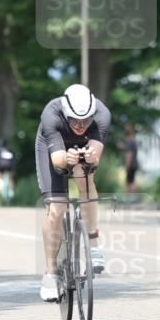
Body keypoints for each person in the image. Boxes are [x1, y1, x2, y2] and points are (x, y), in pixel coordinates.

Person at [36, 84, 111, 302]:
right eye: (75, 120)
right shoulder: (51, 113)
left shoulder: (102, 114)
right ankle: (50, 273)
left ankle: (94, 245)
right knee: (56, 211)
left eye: (86, 120)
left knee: (84, 178)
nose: (80, 125)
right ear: (66, 112)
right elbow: (58, 161)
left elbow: (95, 155)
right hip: (54, 147)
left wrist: (88, 157)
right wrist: (66, 157)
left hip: (83, 147)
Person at [0, 138, 16, 203]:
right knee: (10, 178)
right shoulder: (10, 150)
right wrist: (13, 170)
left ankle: (0, 190)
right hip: (10, 166)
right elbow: (13, 160)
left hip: (1, 166)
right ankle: (10, 192)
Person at [122, 124, 139, 193]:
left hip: (131, 165)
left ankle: (132, 198)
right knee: (132, 181)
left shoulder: (130, 142)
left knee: (130, 182)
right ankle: (134, 198)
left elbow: (129, 155)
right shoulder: (133, 141)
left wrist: (127, 166)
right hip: (134, 165)